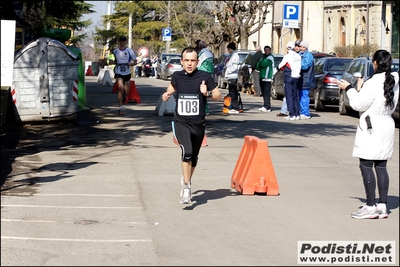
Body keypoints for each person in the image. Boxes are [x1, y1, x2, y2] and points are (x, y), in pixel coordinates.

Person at [336, 50, 399, 219]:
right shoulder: (394, 79)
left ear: (376, 63)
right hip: (387, 122)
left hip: (372, 125)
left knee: (366, 164)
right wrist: (360, 89)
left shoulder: (372, 82)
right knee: (381, 166)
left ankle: (371, 205)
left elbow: (358, 104)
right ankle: (382, 205)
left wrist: (349, 88)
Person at [161, 46, 221, 204]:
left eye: (192, 61)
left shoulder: (205, 76)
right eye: (186, 60)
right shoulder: (177, 76)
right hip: (181, 122)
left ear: (197, 61)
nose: (189, 64)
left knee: (194, 157)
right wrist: (167, 94)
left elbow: (217, 96)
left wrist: (206, 92)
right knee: (186, 151)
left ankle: (187, 180)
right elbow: (172, 87)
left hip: (198, 123)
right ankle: (186, 187)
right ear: (181, 61)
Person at [111, 35, 137, 115]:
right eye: (121, 41)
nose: (122, 42)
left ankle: (125, 96)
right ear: (119, 42)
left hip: (127, 72)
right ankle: (121, 108)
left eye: (124, 41)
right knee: (120, 89)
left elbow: (135, 61)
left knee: (126, 91)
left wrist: (131, 64)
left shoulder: (129, 51)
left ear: (126, 42)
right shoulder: (115, 51)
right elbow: (115, 60)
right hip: (118, 72)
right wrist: (112, 62)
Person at [277, 41, 301, 120]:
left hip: (289, 76)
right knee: (295, 96)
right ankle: (297, 114)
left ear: (287, 48)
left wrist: (277, 68)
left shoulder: (287, 56)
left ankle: (291, 114)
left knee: (289, 96)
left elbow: (280, 66)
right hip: (296, 77)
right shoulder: (298, 56)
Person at [298, 40, 315, 120]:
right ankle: (302, 111)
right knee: (300, 96)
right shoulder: (300, 54)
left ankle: (306, 113)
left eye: (303, 47)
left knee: (304, 96)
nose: (301, 48)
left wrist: (297, 63)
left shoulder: (308, 56)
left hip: (306, 78)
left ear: (306, 48)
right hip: (300, 78)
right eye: (301, 46)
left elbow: (305, 66)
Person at [197, 40, 214, 115]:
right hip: (209, 74)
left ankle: (203, 108)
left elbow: (198, 64)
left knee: (201, 92)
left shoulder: (202, 53)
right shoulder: (210, 53)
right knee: (206, 91)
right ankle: (206, 109)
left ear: (200, 46)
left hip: (201, 74)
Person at [256, 45, 274, 112]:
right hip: (262, 76)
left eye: (268, 50)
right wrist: (260, 63)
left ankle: (267, 107)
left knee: (266, 92)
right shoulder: (263, 57)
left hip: (267, 77)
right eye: (265, 50)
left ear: (270, 50)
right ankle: (265, 105)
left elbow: (263, 64)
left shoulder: (270, 57)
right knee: (263, 92)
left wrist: (260, 63)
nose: (266, 51)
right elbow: (258, 65)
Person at [225, 42, 241, 114]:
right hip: (230, 76)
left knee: (233, 93)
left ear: (230, 49)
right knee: (231, 92)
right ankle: (233, 106)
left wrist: (228, 72)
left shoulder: (235, 56)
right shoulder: (232, 55)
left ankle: (235, 108)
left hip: (232, 76)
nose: (228, 51)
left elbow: (234, 67)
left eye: (228, 49)